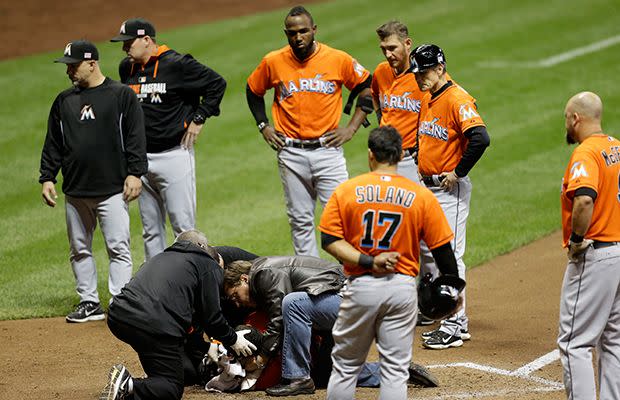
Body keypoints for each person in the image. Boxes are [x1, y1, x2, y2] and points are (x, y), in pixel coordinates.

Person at [319, 126, 461, 399]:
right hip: (401, 289)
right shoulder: (422, 196)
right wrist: (454, 290)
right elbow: (443, 252)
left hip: (361, 287)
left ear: (371, 154)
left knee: (346, 367)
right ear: (401, 154)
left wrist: (368, 260)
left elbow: (329, 240)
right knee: (395, 371)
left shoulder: (347, 191)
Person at [246, 5, 373, 257]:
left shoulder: (338, 59)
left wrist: (351, 129)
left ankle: (348, 276)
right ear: (286, 34)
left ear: (314, 30)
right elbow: (253, 91)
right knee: (300, 222)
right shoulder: (273, 61)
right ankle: (310, 281)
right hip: (291, 152)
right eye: (292, 33)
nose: (298, 37)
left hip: (328, 152)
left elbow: (368, 87)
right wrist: (264, 126)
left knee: (342, 218)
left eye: (303, 31)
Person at [39, 40, 147, 323]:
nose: (69, 71)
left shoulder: (120, 95)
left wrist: (136, 172)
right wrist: (47, 176)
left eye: (73, 65)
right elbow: (54, 142)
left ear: (92, 63)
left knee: (118, 247)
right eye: (68, 66)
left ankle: (121, 303)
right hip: (76, 190)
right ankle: (89, 302)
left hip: (112, 189)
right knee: (79, 249)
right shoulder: (64, 100)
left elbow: (135, 137)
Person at [223, 256, 437, 396]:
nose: (236, 302)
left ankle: (298, 377)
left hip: (350, 301)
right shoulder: (264, 278)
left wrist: (260, 359)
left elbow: (279, 317)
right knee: (327, 373)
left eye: (235, 295)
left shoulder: (263, 273)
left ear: (244, 279)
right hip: (340, 307)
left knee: (293, 304)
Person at [110, 18, 227, 261]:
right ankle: (156, 289)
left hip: (174, 156)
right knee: (150, 231)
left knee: (184, 230)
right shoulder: (126, 68)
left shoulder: (178, 64)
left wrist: (200, 117)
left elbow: (217, 84)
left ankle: (191, 283)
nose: (124, 48)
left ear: (146, 40)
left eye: (128, 43)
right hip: (141, 160)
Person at [99, 230, 257, 400]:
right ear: (203, 247)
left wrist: (207, 346)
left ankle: (126, 389)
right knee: (172, 387)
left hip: (118, 316)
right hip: (152, 323)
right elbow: (212, 319)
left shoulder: (160, 258)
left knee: (173, 374)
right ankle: (128, 384)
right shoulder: (207, 264)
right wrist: (233, 339)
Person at [410, 44, 490, 349]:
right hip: (429, 188)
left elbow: (481, 138)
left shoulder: (457, 98)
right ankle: (440, 310)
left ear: (440, 68)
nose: (420, 78)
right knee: (430, 253)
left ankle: (456, 324)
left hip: (448, 191)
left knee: (451, 256)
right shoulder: (429, 96)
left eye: (425, 72)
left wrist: (457, 171)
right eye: (417, 73)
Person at [558, 91, 620, 400]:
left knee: (575, 344)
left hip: (597, 257)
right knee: (615, 339)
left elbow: (584, 198)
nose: (566, 125)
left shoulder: (586, 153)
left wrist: (578, 241)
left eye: (566, 118)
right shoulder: (616, 147)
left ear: (575, 118)